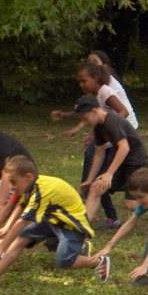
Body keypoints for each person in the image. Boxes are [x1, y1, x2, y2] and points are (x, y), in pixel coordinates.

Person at [0, 155, 109, 289]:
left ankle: (98, 262)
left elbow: (22, 222)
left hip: (71, 225)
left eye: (13, 182)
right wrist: (3, 230)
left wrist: (2, 246)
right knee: (22, 238)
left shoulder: (41, 191)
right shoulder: (29, 187)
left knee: (64, 262)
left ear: (28, 177)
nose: (11, 187)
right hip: (53, 219)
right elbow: (19, 208)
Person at [51, 62, 135, 230]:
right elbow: (88, 114)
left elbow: (123, 111)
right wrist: (66, 118)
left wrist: (111, 128)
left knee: (107, 177)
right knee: (98, 175)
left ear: (95, 78)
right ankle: (99, 212)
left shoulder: (105, 92)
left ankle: (136, 186)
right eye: (79, 82)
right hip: (109, 135)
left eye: (84, 81)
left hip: (125, 135)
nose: (81, 85)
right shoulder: (93, 95)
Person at [68, 94, 148, 219]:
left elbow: (124, 147)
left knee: (131, 205)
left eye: (85, 118)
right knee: (96, 187)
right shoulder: (98, 127)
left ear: (94, 111)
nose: (84, 122)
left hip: (136, 161)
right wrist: (90, 180)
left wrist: (109, 173)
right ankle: (83, 226)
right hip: (120, 161)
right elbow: (99, 153)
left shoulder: (112, 121)